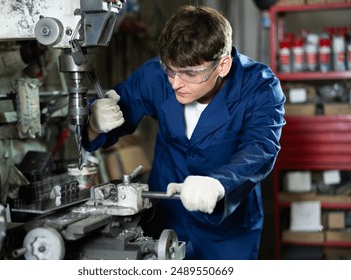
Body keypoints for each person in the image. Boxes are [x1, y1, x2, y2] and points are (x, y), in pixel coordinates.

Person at [83, 5, 286, 260]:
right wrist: (94, 123)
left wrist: (219, 183)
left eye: (190, 73)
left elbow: (260, 148)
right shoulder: (155, 75)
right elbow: (117, 112)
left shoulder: (260, 86)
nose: (176, 83)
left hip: (227, 230)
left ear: (222, 66)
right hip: (165, 217)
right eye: (171, 70)